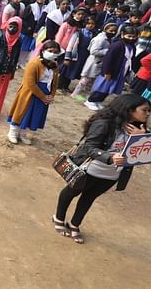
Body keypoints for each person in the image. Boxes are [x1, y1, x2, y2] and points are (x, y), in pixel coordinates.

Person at [54, 93, 148, 244]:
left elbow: (141, 154)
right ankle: (58, 217)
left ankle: (74, 224)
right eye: (145, 110)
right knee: (72, 191)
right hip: (90, 169)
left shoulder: (140, 130)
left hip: (112, 174)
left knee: (89, 197)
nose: (148, 114)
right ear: (130, 109)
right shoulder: (105, 123)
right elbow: (89, 147)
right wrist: (109, 157)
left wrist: (140, 138)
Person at [6, 40, 61, 144]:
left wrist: (51, 96)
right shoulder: (34, 63)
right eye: (50, 51)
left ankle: (22, 133)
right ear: (43, 50)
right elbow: (30, 83)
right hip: (30, 93)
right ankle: (12, 132)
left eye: (55, 52)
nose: (53, 54)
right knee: (22, 111)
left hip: (45, 93)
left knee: (32, 115)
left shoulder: (55, 66)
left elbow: (55, 82)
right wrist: (42, 96)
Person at [85, 26, 137, 111]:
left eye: (133, 37)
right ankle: (91, 100)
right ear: (122, 35)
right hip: (111, 71)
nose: (131, 39)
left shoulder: (132, 47)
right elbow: (108, 59)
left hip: (121, 72)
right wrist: (107, 72)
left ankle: (99, 101)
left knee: (110, 89)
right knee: (103, 87)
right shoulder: (117, 45)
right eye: (129, 36)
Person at [73, 23, 117, 101]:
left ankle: (84, 95)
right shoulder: (100, 39)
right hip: (94, 63)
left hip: (99, 63)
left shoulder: (108, 39)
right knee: (85, 80)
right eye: (111, 30)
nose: (113, 33)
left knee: (91, 81)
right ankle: (76, 94)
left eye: (114, 31)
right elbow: (93, 51)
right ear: (105, 29)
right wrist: (108, 51)